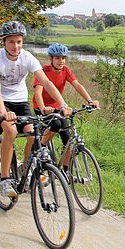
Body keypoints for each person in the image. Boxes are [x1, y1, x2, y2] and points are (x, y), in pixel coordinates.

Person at [0, 20, 72, 197]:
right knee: (10, 131)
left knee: (33, 136)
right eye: (11, 41)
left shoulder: (27, 57)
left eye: (19, 41)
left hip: (19, 99)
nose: (15, 45)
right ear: (4, 42)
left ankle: (25, 169)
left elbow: (46, 82)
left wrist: (62, 104)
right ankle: (4, 179)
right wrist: (3, 113)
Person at [32, 43, 100, 171]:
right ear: (50, 59)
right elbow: (38, 93)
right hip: (42, 107)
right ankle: (40, 148)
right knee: (56, 125)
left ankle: (65, 170)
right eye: (57, 58)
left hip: (58, 107)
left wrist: (90, 100)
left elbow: (77, 85)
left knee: (68, 138)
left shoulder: (65, 70)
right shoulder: (44, 71)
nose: (61, 61)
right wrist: (43, 108)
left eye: (63, 58)